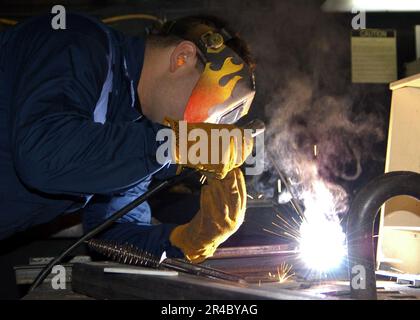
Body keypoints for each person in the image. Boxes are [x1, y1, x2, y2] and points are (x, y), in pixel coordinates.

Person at [0, 12, 256, 263]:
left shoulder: (136, 127)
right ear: (183, 57)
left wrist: (187, 239)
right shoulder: (76, 41)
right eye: (209, 114)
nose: (204, 130)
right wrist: (175, 144)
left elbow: (110, 231)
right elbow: (44, 155)